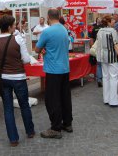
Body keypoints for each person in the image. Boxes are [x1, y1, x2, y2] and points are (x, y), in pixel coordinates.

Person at [0, 15, 35, 147]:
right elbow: (26, 60)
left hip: (2, 78)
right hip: (18, 77)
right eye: (14, 25)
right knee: (24, 105)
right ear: (9, 27)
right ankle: (30, 131)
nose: (15, 27)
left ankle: (13, 139)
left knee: (8, 108)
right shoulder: (18, 39)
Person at [35, 9, 72, 139]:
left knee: (52, 99)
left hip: (52, 70)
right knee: (65, 97)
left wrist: (45, 50)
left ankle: (55, 128)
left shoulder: (47, 31)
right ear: (59, 16)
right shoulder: (63, 29)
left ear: (48, 17)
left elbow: (37, 49)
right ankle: (67, 123)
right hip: (64, 68)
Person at [96, 15, 118, 107]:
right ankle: (113, 101)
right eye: (112, 20)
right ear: (108, 22)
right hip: (112, 57)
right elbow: (116, 46)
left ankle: (106, 98)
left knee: (106, 77)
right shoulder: (113, 31)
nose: (114, 21)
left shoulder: (100, 31)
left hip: (103, 57)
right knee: (113, 78)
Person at [89, 17, 103, 87]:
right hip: (104, 47)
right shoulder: (104, 27)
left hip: (97, 46)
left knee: (98, 64)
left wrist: (92, 47)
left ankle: (99, 79)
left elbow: (91, 39)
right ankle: (104, 78)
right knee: (104, 64)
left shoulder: (94, 28)